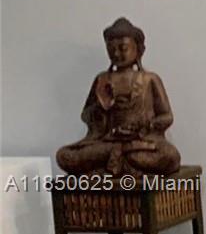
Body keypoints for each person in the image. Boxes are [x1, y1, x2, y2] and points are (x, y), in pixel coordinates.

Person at [56, 17, 181, 176]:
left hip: (139, 143)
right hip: (108, 143)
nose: (116, 53)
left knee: (170, 157)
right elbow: (86, 115)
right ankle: (119, 155)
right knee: (64, 156)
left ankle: (116, 158)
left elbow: (167, 116)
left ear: (137, 49)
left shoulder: (150, 79)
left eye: (123, 48)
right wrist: (101, 106)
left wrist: (145, 126)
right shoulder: (102, 79)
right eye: (111, 48)